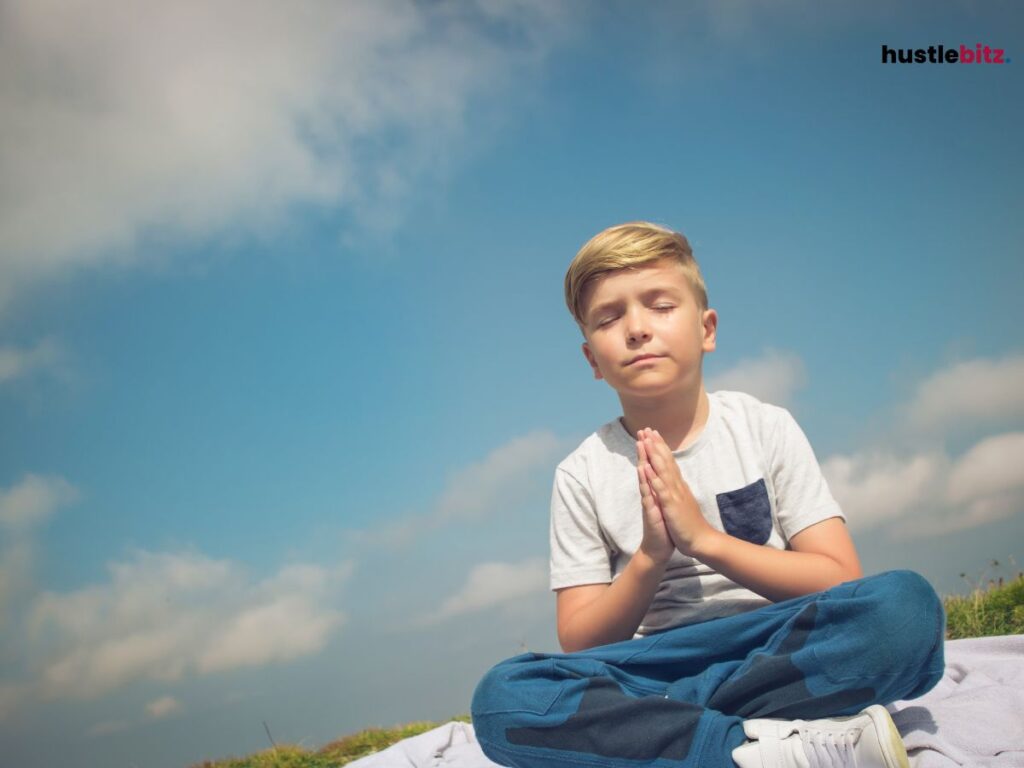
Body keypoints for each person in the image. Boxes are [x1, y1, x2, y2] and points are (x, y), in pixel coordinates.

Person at [471, 222, 945, 768]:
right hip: (655, 669)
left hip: (777, 644)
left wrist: (704, 541)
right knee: (500, 699)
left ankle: (676, 740)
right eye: (609, 317)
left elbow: (839, 576)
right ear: (592, 360)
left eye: (659, 305)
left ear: (707, 329)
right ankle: (751, 750)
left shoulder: (764, 426)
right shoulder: (581, 472)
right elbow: (582, 642)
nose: (636, 329)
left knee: (904, 609)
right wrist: (651, 557)